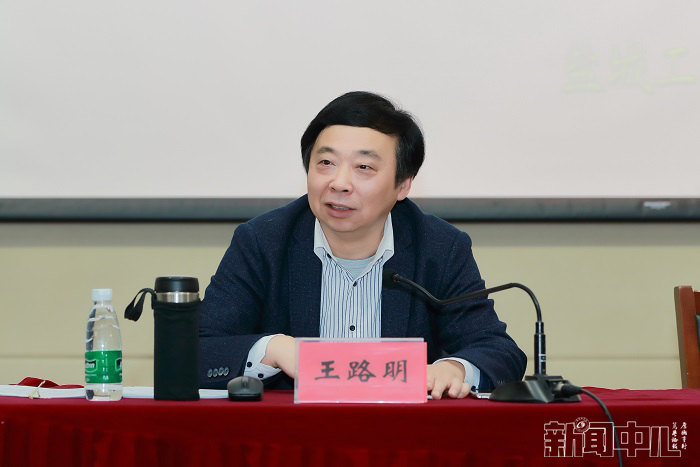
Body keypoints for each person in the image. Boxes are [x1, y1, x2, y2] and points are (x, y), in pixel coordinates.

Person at [199, 91, 526, 398]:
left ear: (403, 185)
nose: (339, 183)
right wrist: (272, 349)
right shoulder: (263, 242)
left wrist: (455, 368)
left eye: (364, 167)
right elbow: (196, 350)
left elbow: (499, 351)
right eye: (326, 163)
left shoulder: (439, 248)